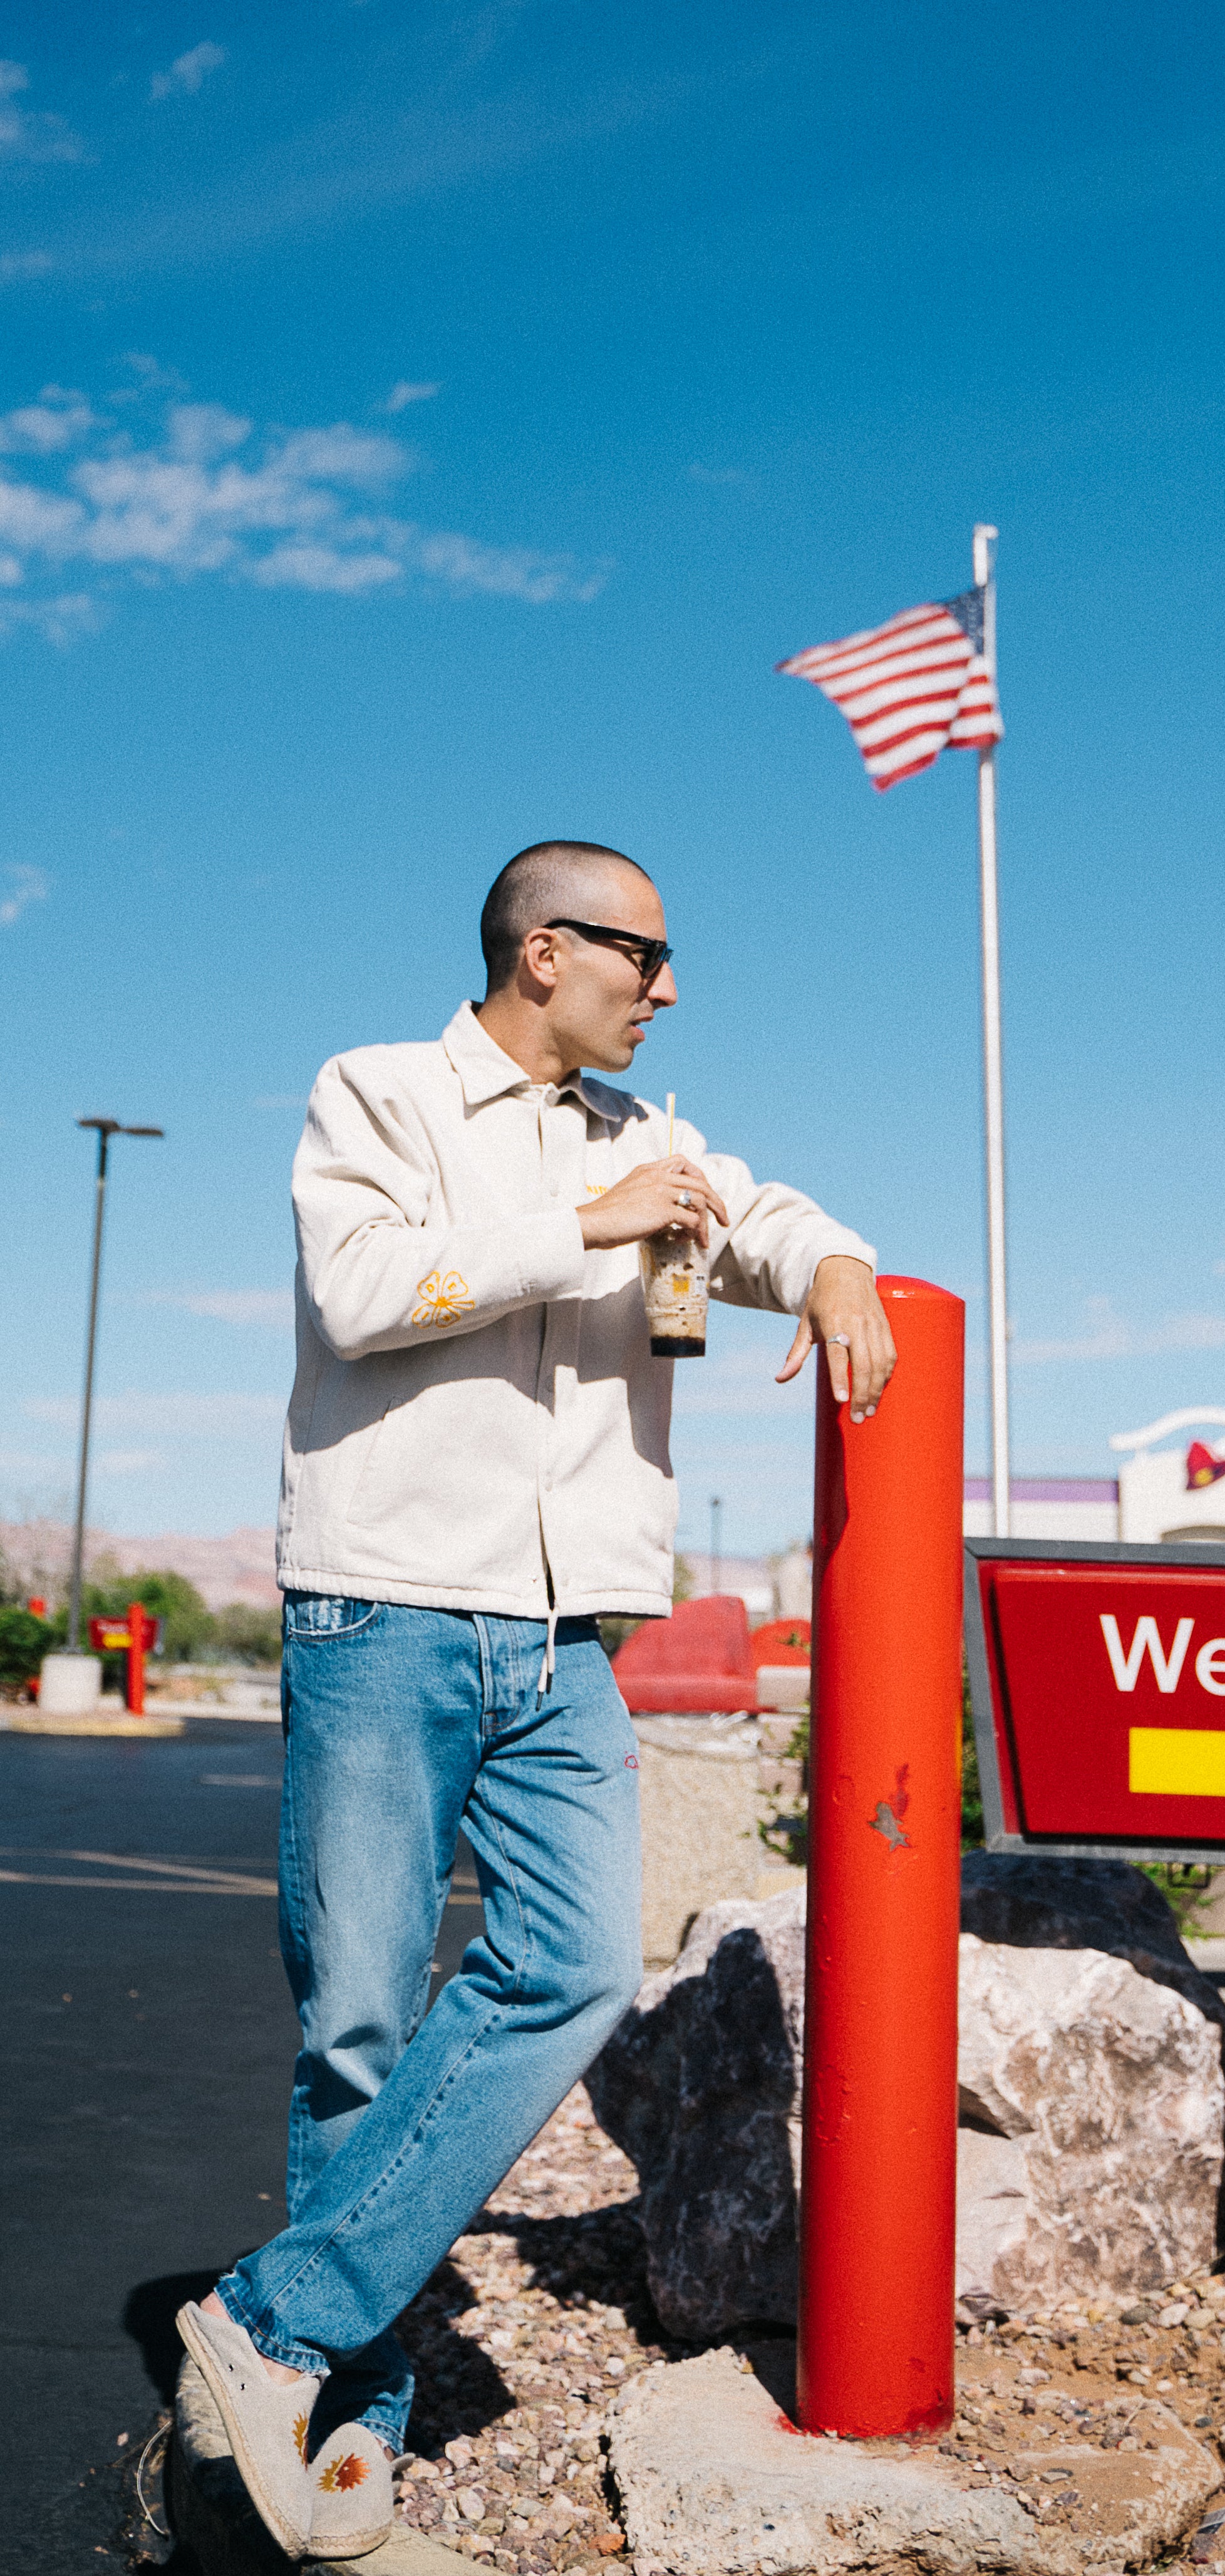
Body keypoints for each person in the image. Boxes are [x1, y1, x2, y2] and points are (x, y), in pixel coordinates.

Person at [177, 839, 895, 2560]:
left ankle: (272, 2321)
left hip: (568, 1632)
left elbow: (762, 1212)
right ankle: (341, 2446)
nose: (669, 988)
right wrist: (585, 1224)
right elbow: (362, 1287)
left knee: (571, 1967)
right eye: (646, 956)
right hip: (386, 1605)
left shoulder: (652, 1143)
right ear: (545, 948)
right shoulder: (382, 1092)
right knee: (356, 2019)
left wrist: (834, 1266)